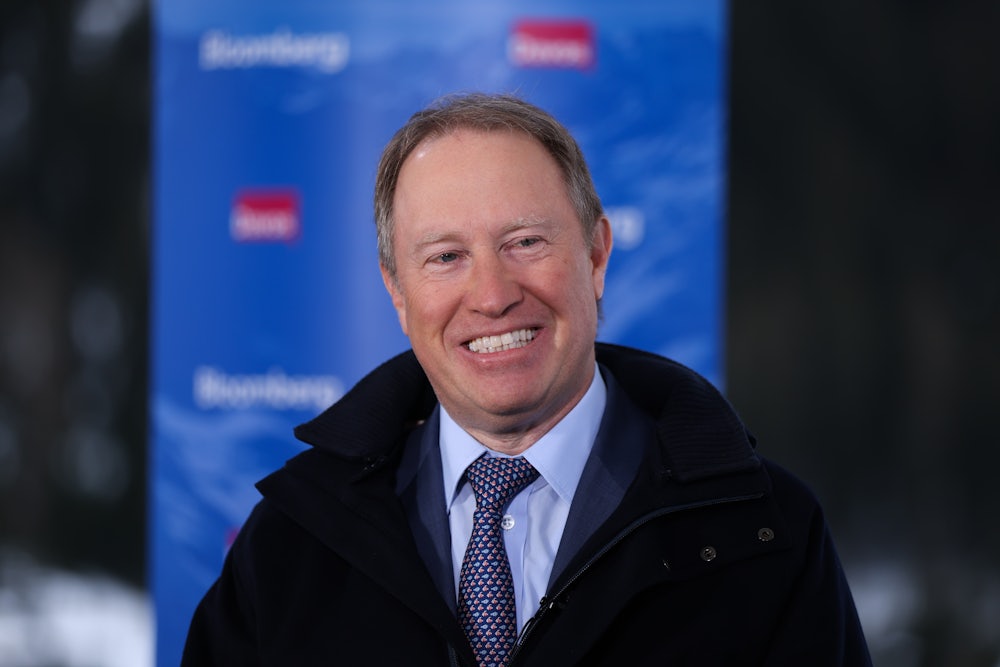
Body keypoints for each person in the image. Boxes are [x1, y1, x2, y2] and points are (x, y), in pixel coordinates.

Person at [182, 93, 872, 666]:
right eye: (446, 256)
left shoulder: (767, 535)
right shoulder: (291, 545)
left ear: (597, 255)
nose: (492, 293)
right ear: (397, 292)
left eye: (525, 243)